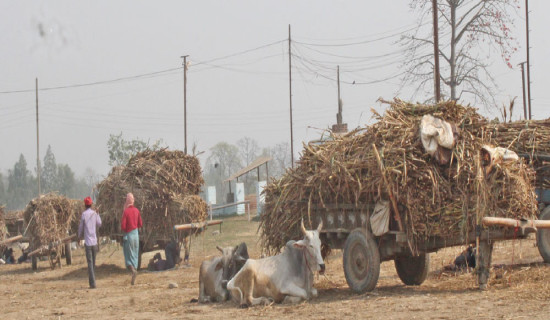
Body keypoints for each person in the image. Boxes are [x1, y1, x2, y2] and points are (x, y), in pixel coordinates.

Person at [78, 196, 102, 289]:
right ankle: (92, 281)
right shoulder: (94, 214)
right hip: (94, 242)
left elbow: (81, 227)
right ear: (91, 204)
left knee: (90, 263)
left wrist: (79, 237)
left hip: (88, 243)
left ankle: (92, 283)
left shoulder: (84, 215)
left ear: (85, 205)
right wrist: (98, 214)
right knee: (93, 263)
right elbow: (100, 224)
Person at [121, 193, 142, 285]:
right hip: (136, 235)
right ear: (133, 200)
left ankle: (132, 270)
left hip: (129, 235)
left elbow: (123, 226)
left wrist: (126, 230)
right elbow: (140, 224)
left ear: (126, 201)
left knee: (128, 255)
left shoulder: (126, 212)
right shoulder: (137, 211)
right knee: (135, 254)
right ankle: (135, 269)